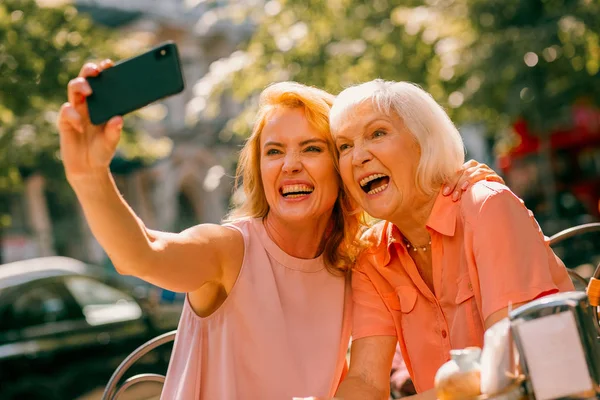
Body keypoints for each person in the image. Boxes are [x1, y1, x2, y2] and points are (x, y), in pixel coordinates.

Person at [57, 60, 498, 399]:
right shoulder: (228, 250)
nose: (290, 165)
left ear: (341, 167)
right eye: (274, 151)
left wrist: (457, 181)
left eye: (311, 148)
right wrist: (88, 173)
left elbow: (368, 380)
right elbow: (142, 253)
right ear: (259, 168)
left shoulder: (358, 264)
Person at [329, 79, 574, 400]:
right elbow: (365, 380)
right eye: (344, 146)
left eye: (377, 133)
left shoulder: (486, 206)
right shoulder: (371, 256)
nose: (358, 156)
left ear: (424, 142)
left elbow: (508, 370)